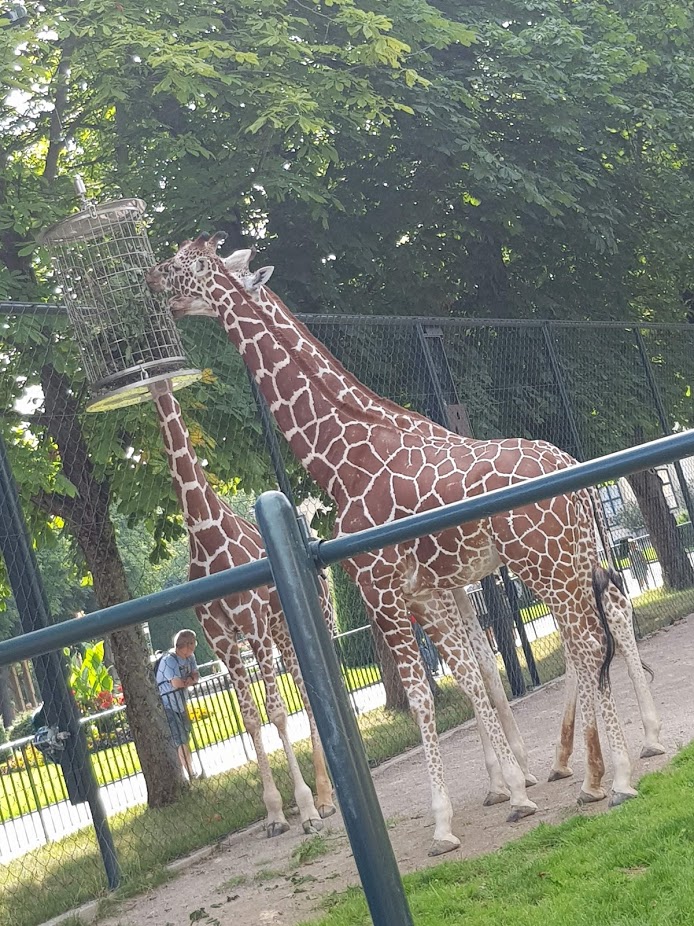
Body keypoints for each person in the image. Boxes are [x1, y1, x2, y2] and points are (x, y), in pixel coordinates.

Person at [155, 629, 200, 780]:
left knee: (185, 736)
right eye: (192, 645)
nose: (193, 649)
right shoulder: (169, 660)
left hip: (181, 703)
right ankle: (189, 772)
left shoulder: (190, 657)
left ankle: (187, 770)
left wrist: (188, 681)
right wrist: (188, 681)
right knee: (180, 739)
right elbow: (176, 683)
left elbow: (195, 676)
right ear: (185, 645)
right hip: (168, 705)